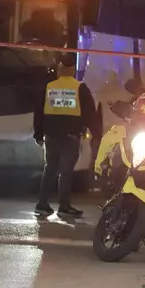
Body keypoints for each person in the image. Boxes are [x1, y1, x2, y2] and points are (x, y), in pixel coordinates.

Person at [33, 55, 101, 217]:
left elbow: (39, 112)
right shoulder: (80, 87)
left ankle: (42, 204)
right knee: (66, 171)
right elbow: (90, 113)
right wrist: (97, 134)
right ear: (72, 71)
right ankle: (64, 206)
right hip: (70, 137)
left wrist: (38, 134)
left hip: (51, 136)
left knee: (49, 169)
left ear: (59, 70)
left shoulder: (49, 87)